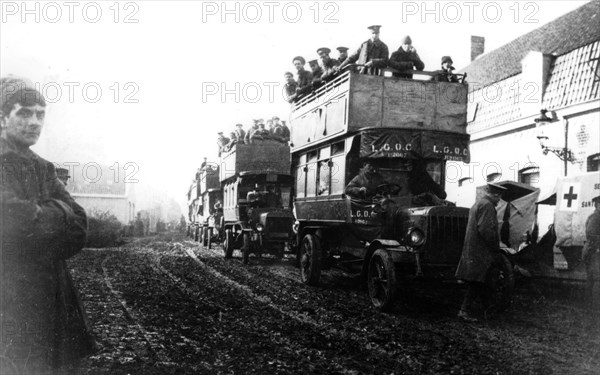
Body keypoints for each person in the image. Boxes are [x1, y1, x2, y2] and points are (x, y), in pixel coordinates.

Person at [0, 76, 96, 374]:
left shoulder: (42, 167)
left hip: (50, 299)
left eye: (40, 114)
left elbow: (80, 227)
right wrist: (58, 213)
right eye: (24, 113)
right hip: (9, 296)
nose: (34, 122)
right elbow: (10, 220)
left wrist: (40, 215)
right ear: (3, 117)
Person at [455, 183, 507, 322]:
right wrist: (495, 247)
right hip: (481, 250)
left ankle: (486, 310)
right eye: (499, 198)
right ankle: (465, 311)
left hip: (474, 248)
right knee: (478, 281)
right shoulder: (488, 206)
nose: (498, 201)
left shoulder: (478, 203)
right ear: (495, 195)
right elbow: (486, 229)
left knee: (481, 280)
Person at [582, 195, 600, 306]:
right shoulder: (595, 218)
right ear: (598, 205)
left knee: (592, 278)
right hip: (594, 252)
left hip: (594, 251)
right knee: (598, 278)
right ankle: (596, 305)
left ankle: (589, 304)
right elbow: (592, 235)